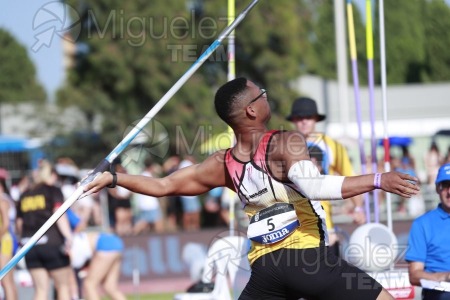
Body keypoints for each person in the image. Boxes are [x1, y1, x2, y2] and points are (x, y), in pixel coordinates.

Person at [84, 77, 420, 300]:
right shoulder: (285, 142)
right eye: (262, 94)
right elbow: (315, 186)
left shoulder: (222, 163)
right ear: (251, 109)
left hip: (264, 273)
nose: (266, 96)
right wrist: (379, 179)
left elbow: (163, 185)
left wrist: (113, 177)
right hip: (309, 262)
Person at [286, 96, 366, 224]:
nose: (304, 121)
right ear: (293, 120)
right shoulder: (284, 146)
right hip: (292, 220)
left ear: (316, 119)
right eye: (299, 118)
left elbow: (350, 177)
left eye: (308, 117)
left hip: (323, 220)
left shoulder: (332, 146)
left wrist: (358, 208)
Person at [16, 160, 73, 300]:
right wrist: (69, 238)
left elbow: (19, 223)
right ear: (52, 174)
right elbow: (59, 214)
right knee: (63, 287)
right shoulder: (52, 190)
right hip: (51, 244)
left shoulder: (25, 194)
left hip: (29, 245)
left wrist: (21, 241)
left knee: (41, 290)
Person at [405, 163, 450, 300]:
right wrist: (445, 277)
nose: (449, 192)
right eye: (445, 186)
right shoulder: (422, 224)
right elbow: (414, 275)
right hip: (440, 293)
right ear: (437, 188)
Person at [132, 157, 164, 234]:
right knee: (159, 227)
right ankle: (131, 235)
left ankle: (131, 235)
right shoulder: (150, 176)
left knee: (144, 225)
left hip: (144, 205)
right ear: (151, 166)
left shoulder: (142, 175)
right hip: (151, 205)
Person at [0, 170, 18, 300]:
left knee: (5, 279)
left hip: (5, 241)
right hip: (5, 240)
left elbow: (5, 225)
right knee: (8, 279)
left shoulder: (3, 201)